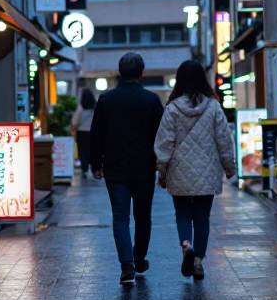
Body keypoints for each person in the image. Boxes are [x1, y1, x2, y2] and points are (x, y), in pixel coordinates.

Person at [154, 60, 235, 280]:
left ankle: (186, 246)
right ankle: (198, 260)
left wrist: (161, 170)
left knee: (182, 214)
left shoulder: (172, 109)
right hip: (207, 172)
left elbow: (164, 143)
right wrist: (229, 166)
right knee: (202, 218)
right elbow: (224, 140)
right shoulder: (213, 106)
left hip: (179, 171)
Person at [88, 53, 165, 285]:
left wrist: (95, 163)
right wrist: (162, 165)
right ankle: (139, 258)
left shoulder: (106, 100)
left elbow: (96, 134)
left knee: (120, 216)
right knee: (143, 217)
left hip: (115, 167)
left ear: (119, 72)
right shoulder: (151, 100)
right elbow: (161, 136)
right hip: (144, 167)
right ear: (142, 72)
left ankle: (126, 265)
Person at [71, 88, 96, 177]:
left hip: (82, 132)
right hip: (93, 132)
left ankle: (84, 169)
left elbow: (75, 122)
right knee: (92, 150)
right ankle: (94, 167)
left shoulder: (80, 108)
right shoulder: (95, 108)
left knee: (82, 151)